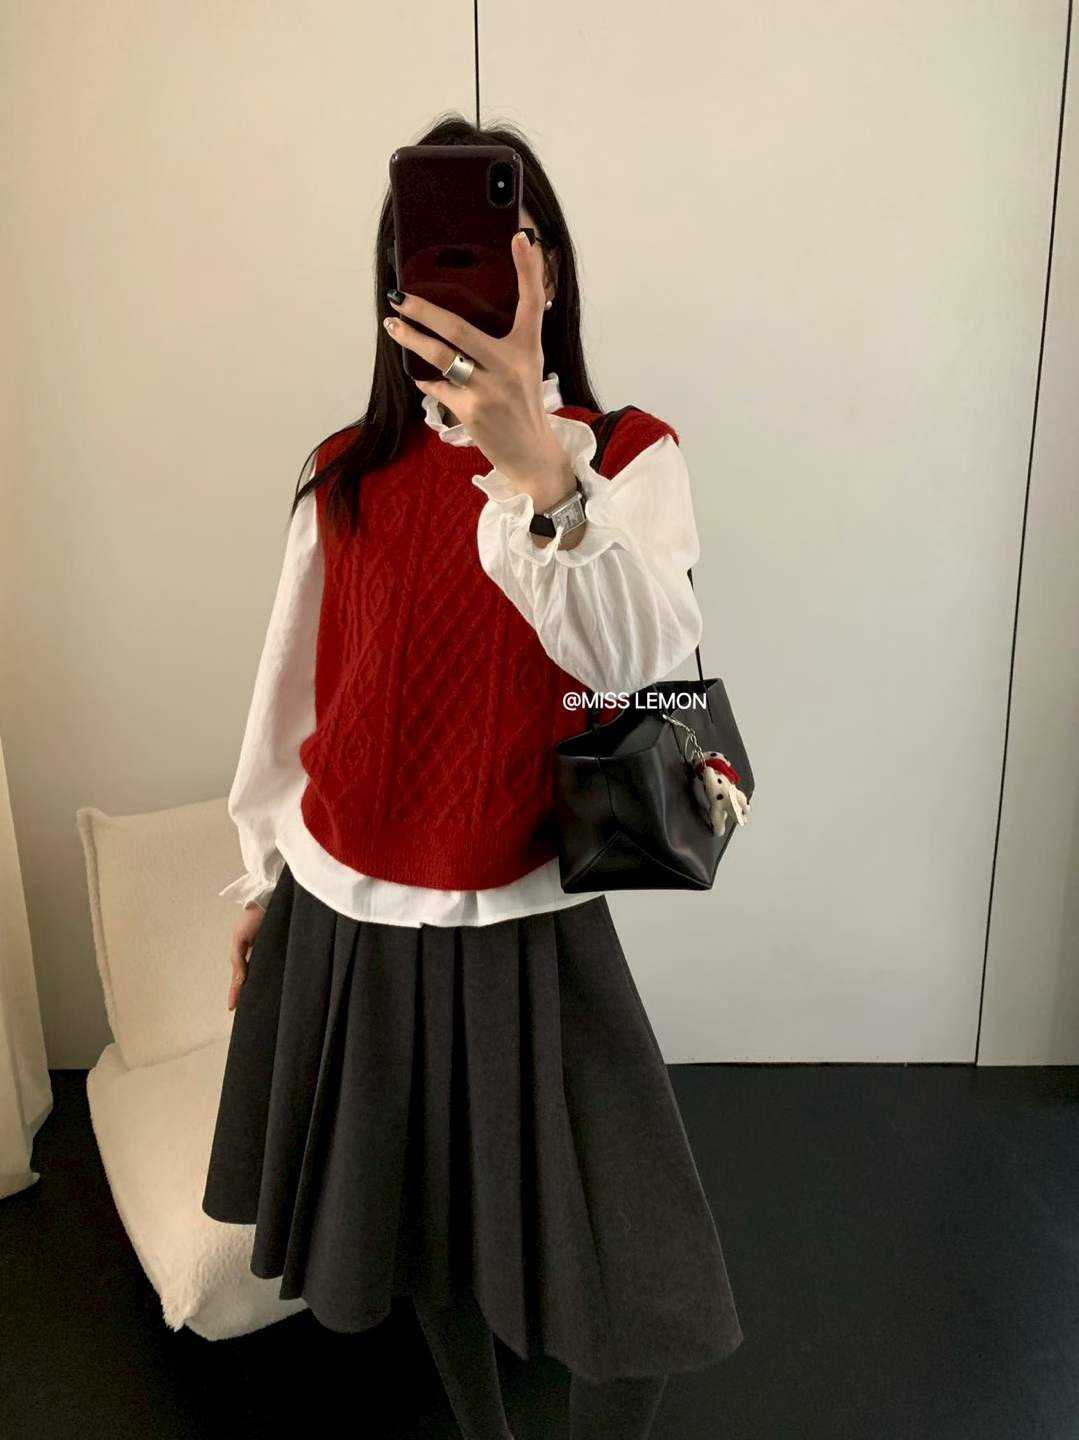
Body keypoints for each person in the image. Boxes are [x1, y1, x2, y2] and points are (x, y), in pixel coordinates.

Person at [201, 114, 743, 1440]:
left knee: (637, 1281)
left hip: (530, 914)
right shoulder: (347, 473)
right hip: (347, 913)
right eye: (435, 256)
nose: (480, 278)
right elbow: (292, 701)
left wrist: (541, 470)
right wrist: (263, 882)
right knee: (420, 1241)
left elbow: (638, 662)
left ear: (549, 270)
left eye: (512, 241)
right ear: (395, 292)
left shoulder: (626, 459)